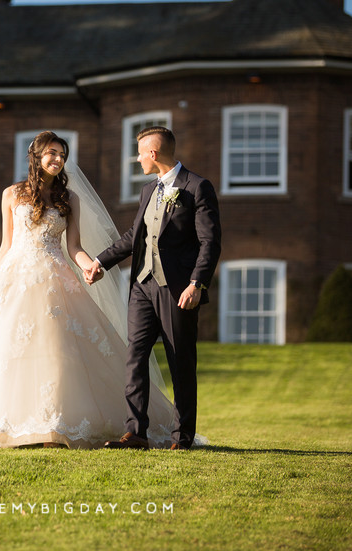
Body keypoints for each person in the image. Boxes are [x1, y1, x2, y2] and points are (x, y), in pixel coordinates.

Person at [0, 131, 178, 449]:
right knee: (9, 348)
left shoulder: (69, 199)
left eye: (62, 154)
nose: (58, 159)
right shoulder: (11, 194)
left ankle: (55, 424)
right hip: (15, 278)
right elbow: (6, 245)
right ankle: (13, 424)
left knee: (58, 349)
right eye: (51, 153)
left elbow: (73, 246)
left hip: (55, 277)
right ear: (36, 156)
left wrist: (91, 265)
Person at [86, 126, 221, 451]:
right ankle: (136, 433)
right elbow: (134, 236)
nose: (137, 159)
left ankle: (182, 437)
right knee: (135, 358)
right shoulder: (149, 191)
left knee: (181, 361)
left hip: (178, 290)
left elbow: (210, 241)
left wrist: (197, 283)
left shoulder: (198, 187)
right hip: (142, 288)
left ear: (153, 154)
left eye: (140, 153)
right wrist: (100, 262)